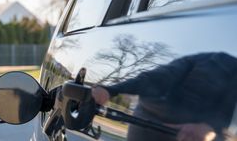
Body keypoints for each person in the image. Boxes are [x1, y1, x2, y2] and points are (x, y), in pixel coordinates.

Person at [92, 52, 237, 141]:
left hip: (202, 134)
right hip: (150, 122)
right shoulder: (213, 60)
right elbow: (158, 77)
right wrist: (112, 90)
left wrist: (212, 127)